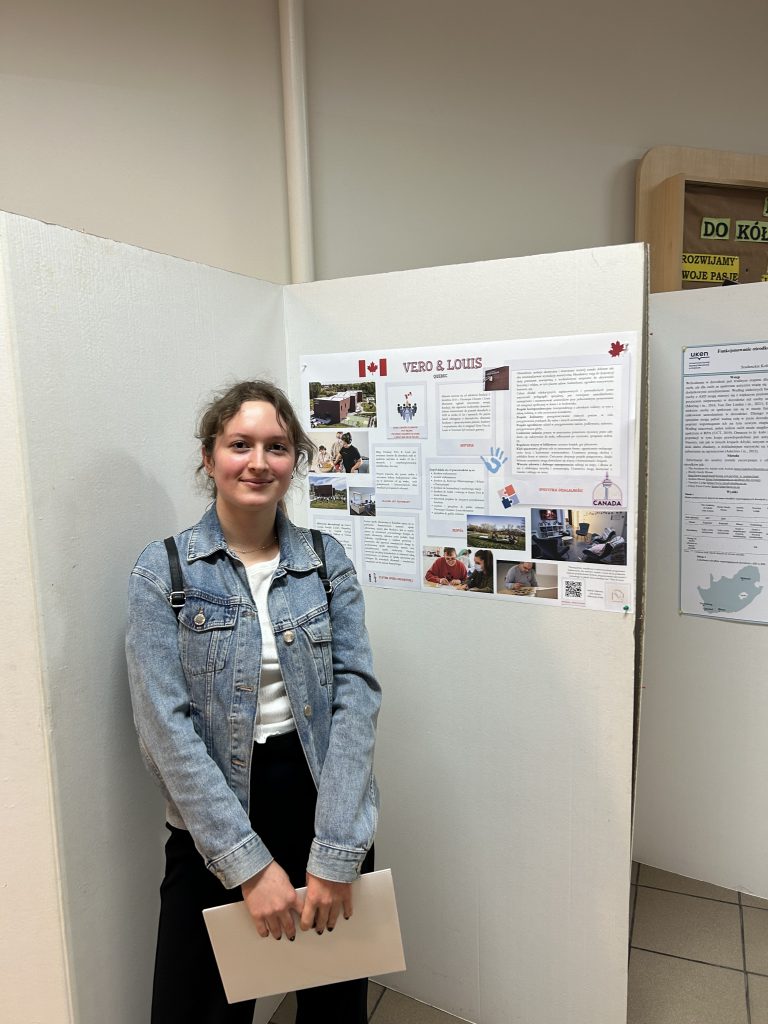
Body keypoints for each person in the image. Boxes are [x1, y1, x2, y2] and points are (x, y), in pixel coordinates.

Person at [126, 381, 380, 1024]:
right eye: (240, 445)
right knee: (196, 1008)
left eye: (277, 447)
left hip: (323, 801)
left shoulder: (325, 561)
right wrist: (246, 865)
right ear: (209, 457)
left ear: (295, 461)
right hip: (213, 815)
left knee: (331, 1007)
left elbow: (357, 694)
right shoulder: (164, 572)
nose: (258, 462)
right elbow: (164, 728)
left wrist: (335, 851)